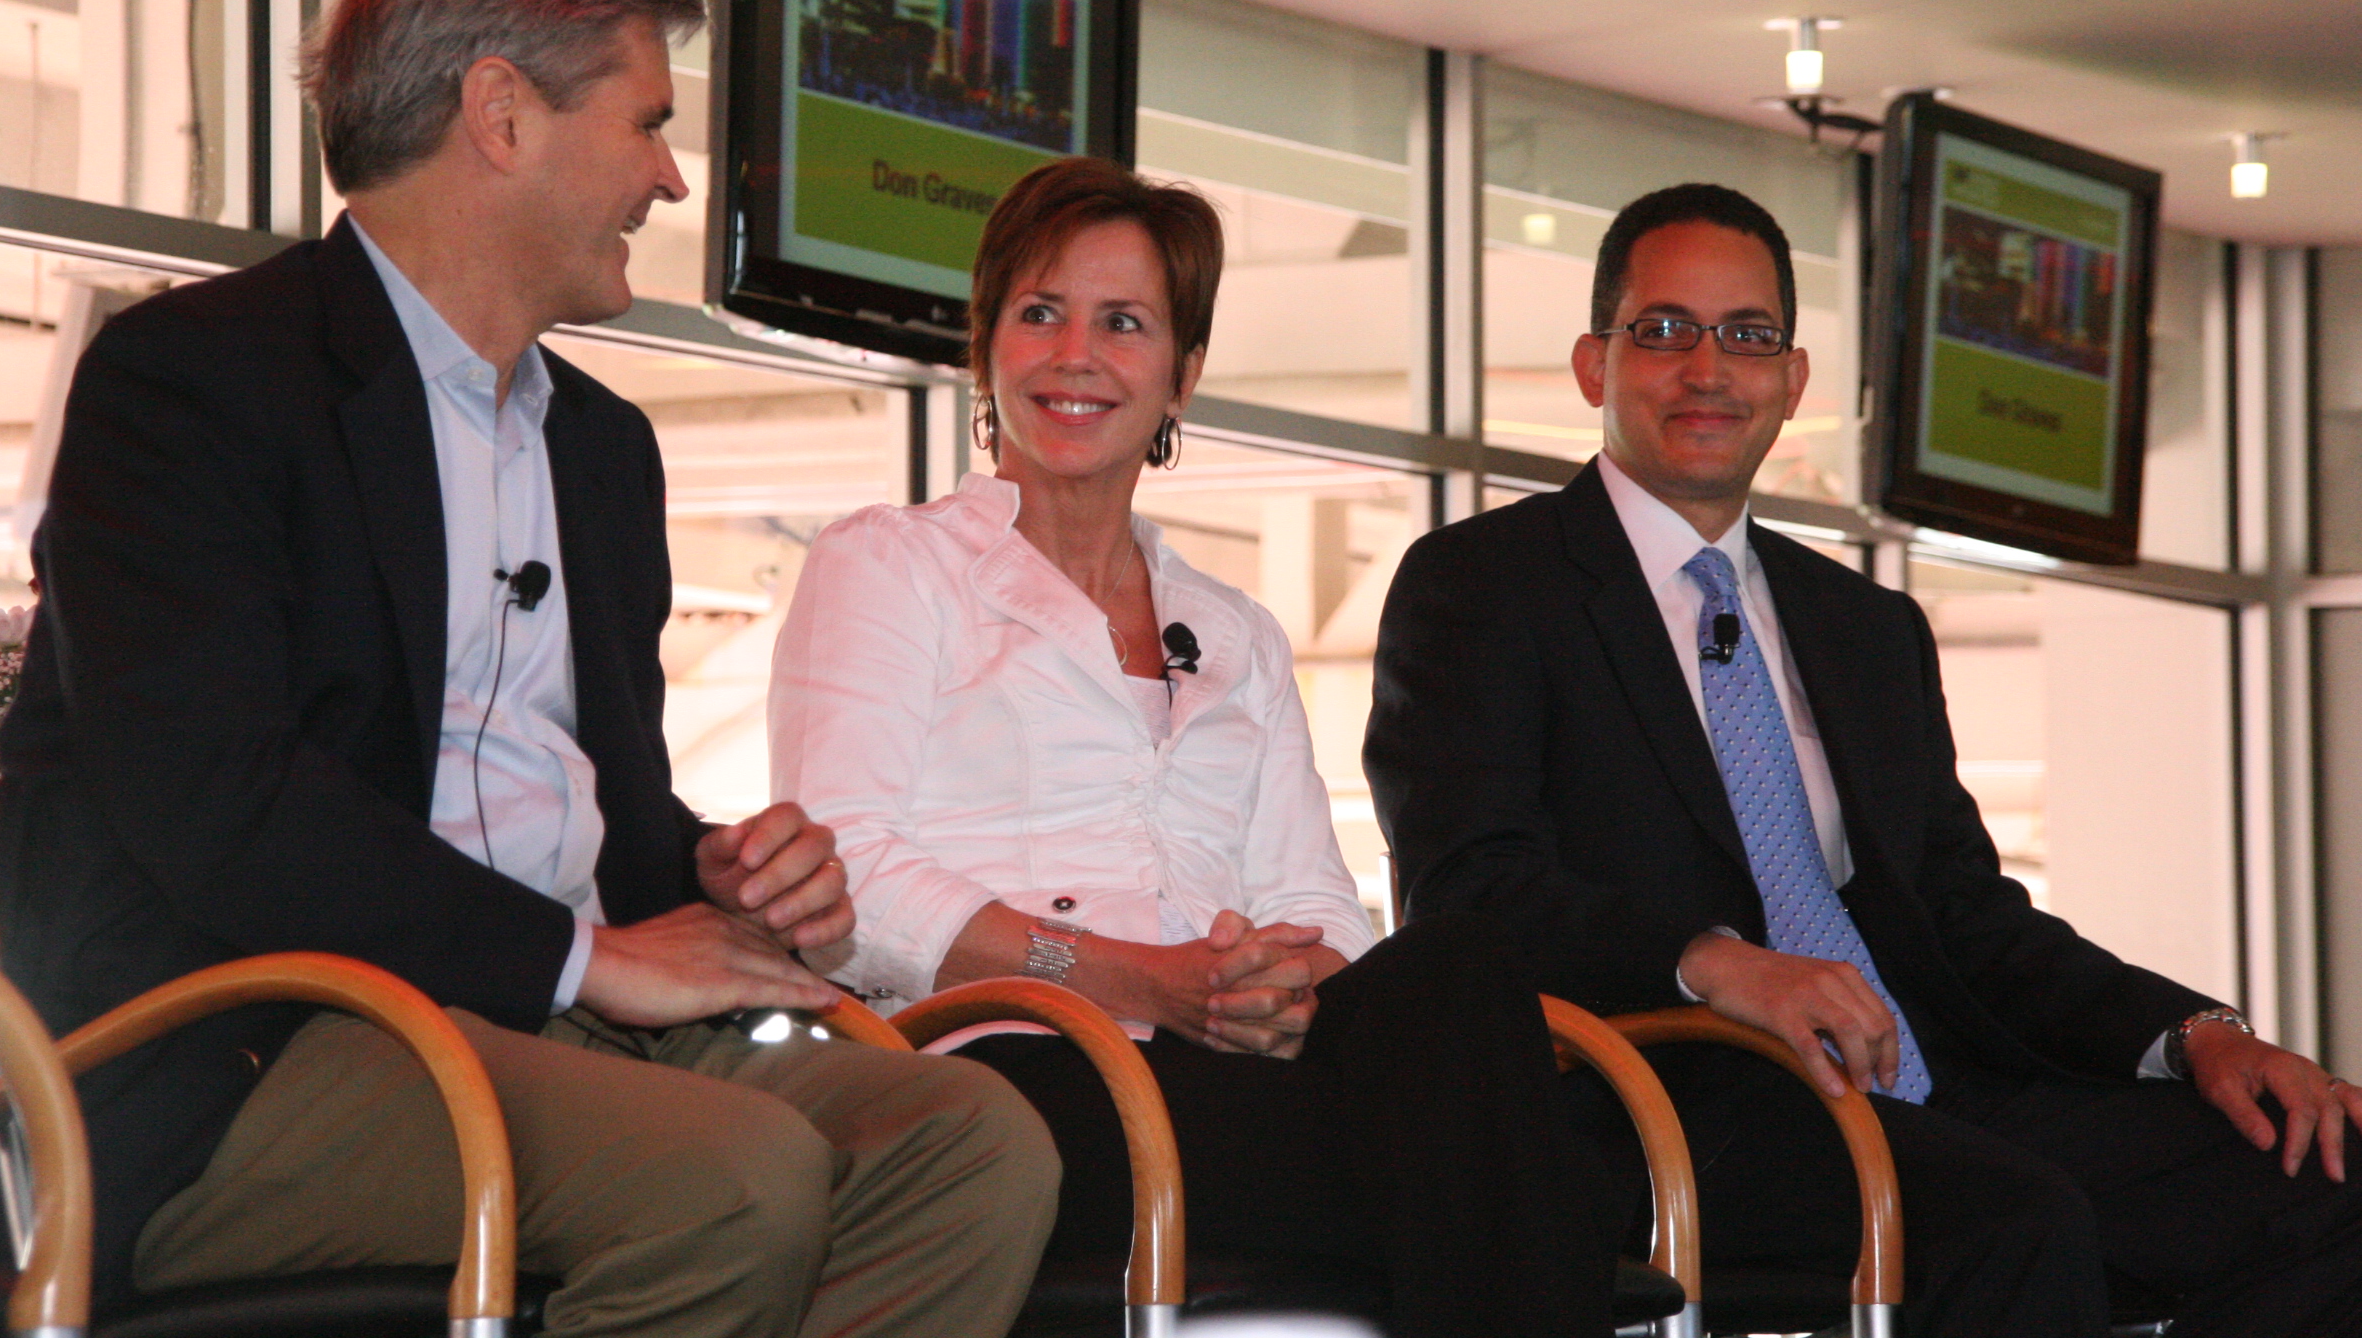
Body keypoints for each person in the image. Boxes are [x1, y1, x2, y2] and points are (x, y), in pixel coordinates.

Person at [0, 0, 1059, 1337]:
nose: (669, 174)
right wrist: (585, 960)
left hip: (558, 1030)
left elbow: (609, 816)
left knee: (975, 1143)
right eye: (648, 121)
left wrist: (726, 881)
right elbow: (219, 803)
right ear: (502, 114)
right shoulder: (195, 383)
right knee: (731, 1177)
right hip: (257, 1050)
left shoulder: (598, 446)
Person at [1365, 180, 2362, 1335]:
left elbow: (1969, 916)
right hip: (1679, 1093)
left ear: (1792, 383)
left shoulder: (1863, 625)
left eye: (1747, 336)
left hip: (1940, 1081)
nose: (1706, 366)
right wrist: (1716, 960)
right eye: (1664, 330)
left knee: (2327, 1177)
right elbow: (1468, 891)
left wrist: (2195, 1034)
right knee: (2012, 1219)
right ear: (1595, 364)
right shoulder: (1485, 585)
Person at [769, 155, 1620, 1338]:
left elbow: (1319, 909)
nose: (1077, 354)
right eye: (1040, 313)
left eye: (1124, 323)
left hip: (1234, 1071)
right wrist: (1133, 975)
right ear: (987, 345)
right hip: (1012, 1066)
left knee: (1456, 967)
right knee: (1513, 1187)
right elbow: (850, 872)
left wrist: (1280, 980)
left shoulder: (1236, 632)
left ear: (1184, 375)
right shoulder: (891, 565)